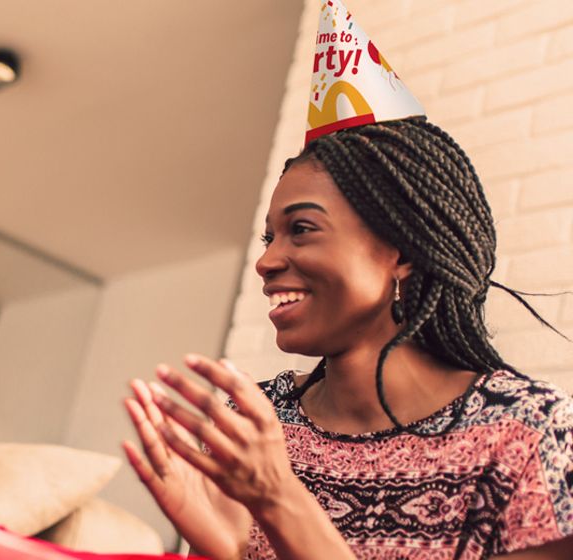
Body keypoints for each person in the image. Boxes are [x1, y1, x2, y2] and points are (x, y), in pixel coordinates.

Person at [124, 117, 573, 559]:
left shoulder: (528, 434)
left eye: (301, 229)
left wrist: (282, 503)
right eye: (269, 237)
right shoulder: (256, 426)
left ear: (402, 251)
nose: (266, 261)